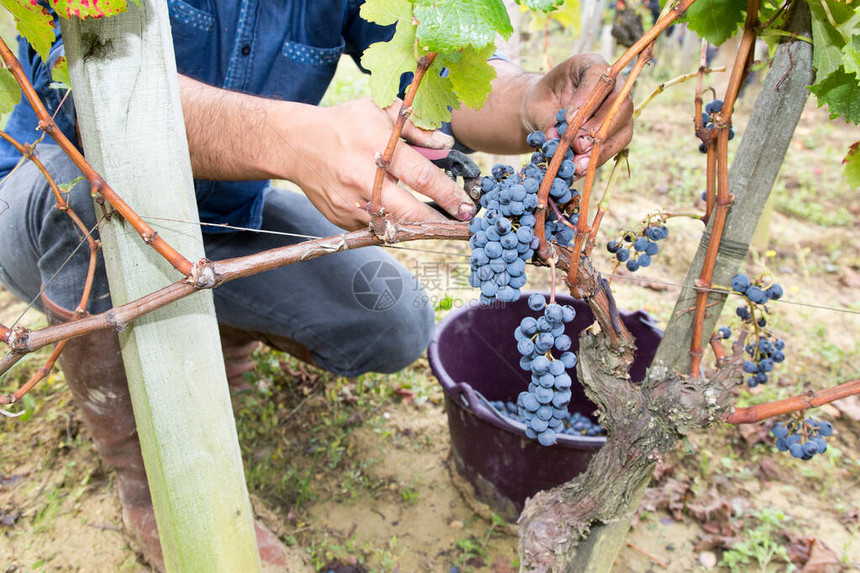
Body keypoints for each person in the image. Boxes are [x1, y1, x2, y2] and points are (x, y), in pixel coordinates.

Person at [0, 0, 633, 569]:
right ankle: (148, 484)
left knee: (390, 318)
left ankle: (214, 323)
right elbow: (95, 107)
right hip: (58, 192)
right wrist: (287, 139)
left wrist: (530, 99)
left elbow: (442, 73)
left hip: (221, 218)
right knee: (85, 207)